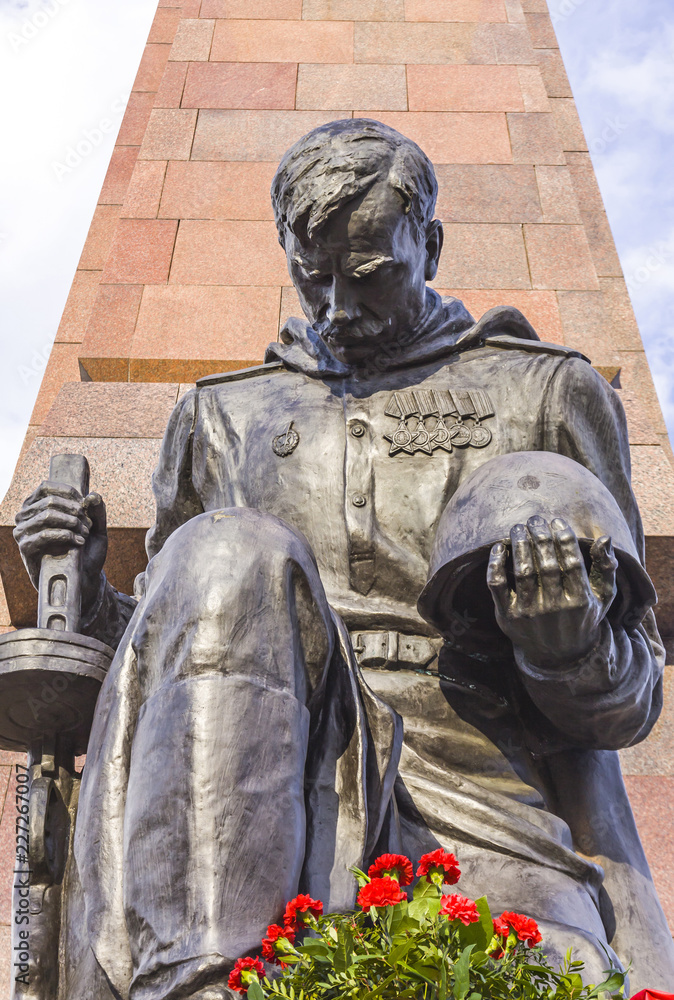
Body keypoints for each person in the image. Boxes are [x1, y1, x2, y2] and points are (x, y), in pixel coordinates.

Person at [14, 119, 674, 999]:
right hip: (251, 774)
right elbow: (174, 665)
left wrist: (569, 645)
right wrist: (92, 596)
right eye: (312, 276)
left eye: (370, 275)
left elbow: (634, 697)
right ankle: (204, 979)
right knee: (225, 549)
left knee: (544, 969)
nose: (335, 309)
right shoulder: (222, 416)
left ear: (430, 245)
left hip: (475, 779)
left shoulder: (545, 392)